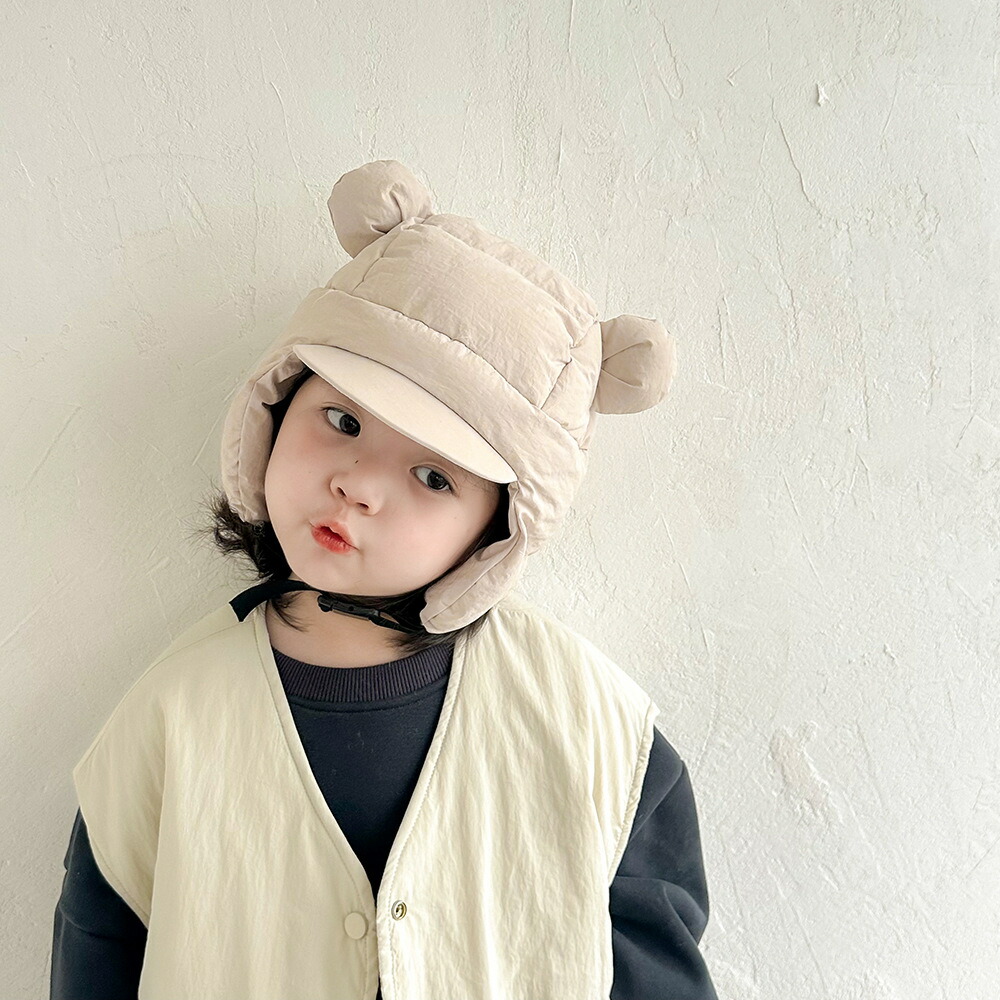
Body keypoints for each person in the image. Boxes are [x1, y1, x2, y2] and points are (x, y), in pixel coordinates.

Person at [50, 159, 719, 999]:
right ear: (275, 405)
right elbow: (94, 956)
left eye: (434, 477)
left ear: (498, 528)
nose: (360, 485)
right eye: (342, 419)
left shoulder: (600, 738)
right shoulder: (168, 717)